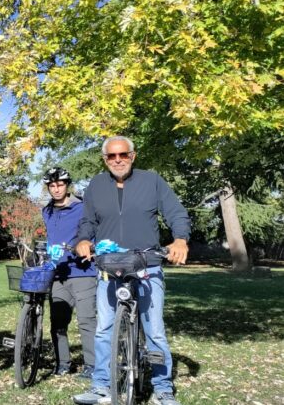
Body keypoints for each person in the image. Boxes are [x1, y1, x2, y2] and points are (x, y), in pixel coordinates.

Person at [72, 136, 190, 405]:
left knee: (155, 331)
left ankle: (162, 389)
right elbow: (88, 221)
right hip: (108, 266)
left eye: (123, 155)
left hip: (146, 265)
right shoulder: (96, 185)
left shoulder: (152, 181)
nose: (118, 160)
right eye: (112, 156)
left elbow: (176, 212)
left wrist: (180, 238)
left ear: (133, 156)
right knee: (104, 330)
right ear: (105, 160)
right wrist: (83, 240)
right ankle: (101, 386)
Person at [41, 167, 96, 380]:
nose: (56, 189)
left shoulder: (82, 207)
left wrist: (89, 246)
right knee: (58, 322)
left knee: (86, 320)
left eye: (60, 185)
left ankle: (91, 365)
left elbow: (93, 232)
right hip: (58, 274)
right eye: (52, 186)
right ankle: (63, 362)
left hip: (83, 271)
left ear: (67, 185)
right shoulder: (46, 211)